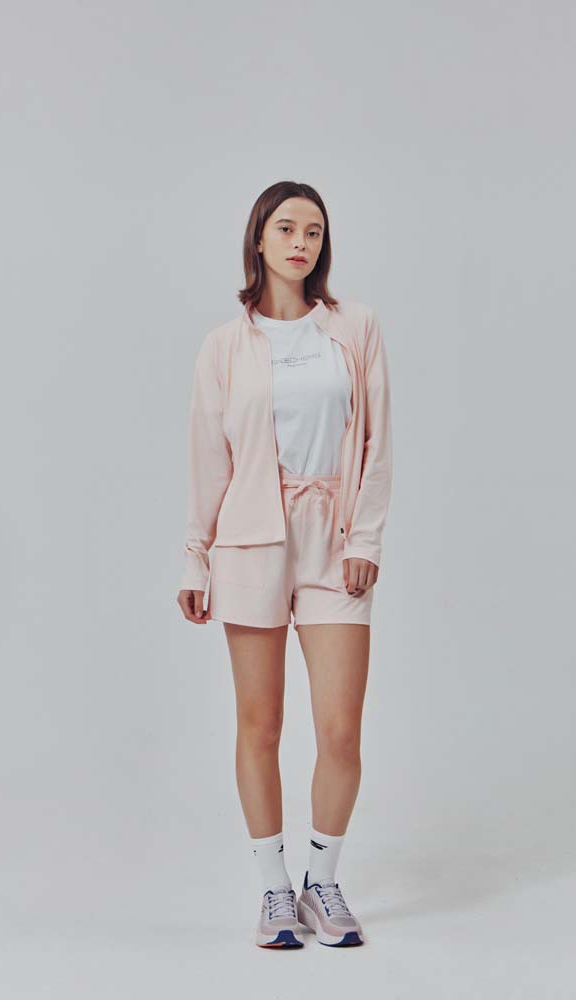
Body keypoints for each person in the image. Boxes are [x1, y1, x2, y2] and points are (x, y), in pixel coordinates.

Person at [176, 180, 393, 948]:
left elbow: (375, 442)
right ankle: (274, 892)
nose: (300, 242)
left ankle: (321, 883)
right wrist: (194, 558)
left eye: (313, 231)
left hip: (333, 540)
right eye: (286, 228)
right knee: (259, 724)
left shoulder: (354, 327)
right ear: (259, 239)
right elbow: (209, 458)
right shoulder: (224, 346)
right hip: (249, 541)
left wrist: (363, 542)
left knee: (339, 729)